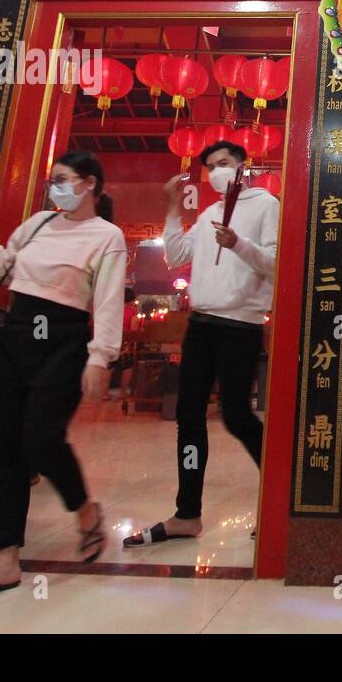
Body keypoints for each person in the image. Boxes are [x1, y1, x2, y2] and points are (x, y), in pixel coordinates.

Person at [0, 151, 126, 605]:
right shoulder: (39, 223)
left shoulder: (108, 236)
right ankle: (6, 560)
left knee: (42, 439)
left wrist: (99, 358)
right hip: (16, 335)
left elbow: (107, 302)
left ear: (88, 184)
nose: (54, 188)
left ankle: (85, 511)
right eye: (52, 181)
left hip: (64, 342)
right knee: (5, 446)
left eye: (62, 180)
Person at [125, 139, 280, 547]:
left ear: (243, 165)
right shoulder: (210, 212)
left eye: (224, 163)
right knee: (189, 416)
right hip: (201, 323)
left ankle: (280, 499)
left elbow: (276, 261)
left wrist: (238, 244)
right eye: (211, 166)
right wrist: (174, 206)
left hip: (240, 325)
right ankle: (186, 514)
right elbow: (176, 256)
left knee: (236, 417)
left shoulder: (267, 205)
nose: (217, 172)